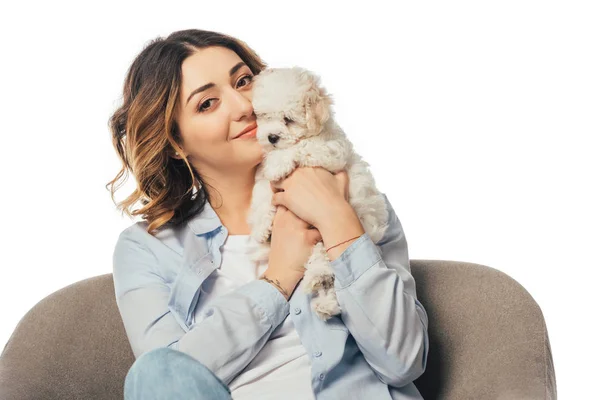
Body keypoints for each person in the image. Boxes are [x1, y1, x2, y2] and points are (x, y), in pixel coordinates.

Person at [107, 28, 429, 400]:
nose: (244, 106)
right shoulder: (146, 248)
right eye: (207, 103)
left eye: (243, 81)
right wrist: (278, 278)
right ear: (176, 143)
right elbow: (162, 383)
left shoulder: (357, 198)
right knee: (151, 372)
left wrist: (337, 220)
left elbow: (405, 360)